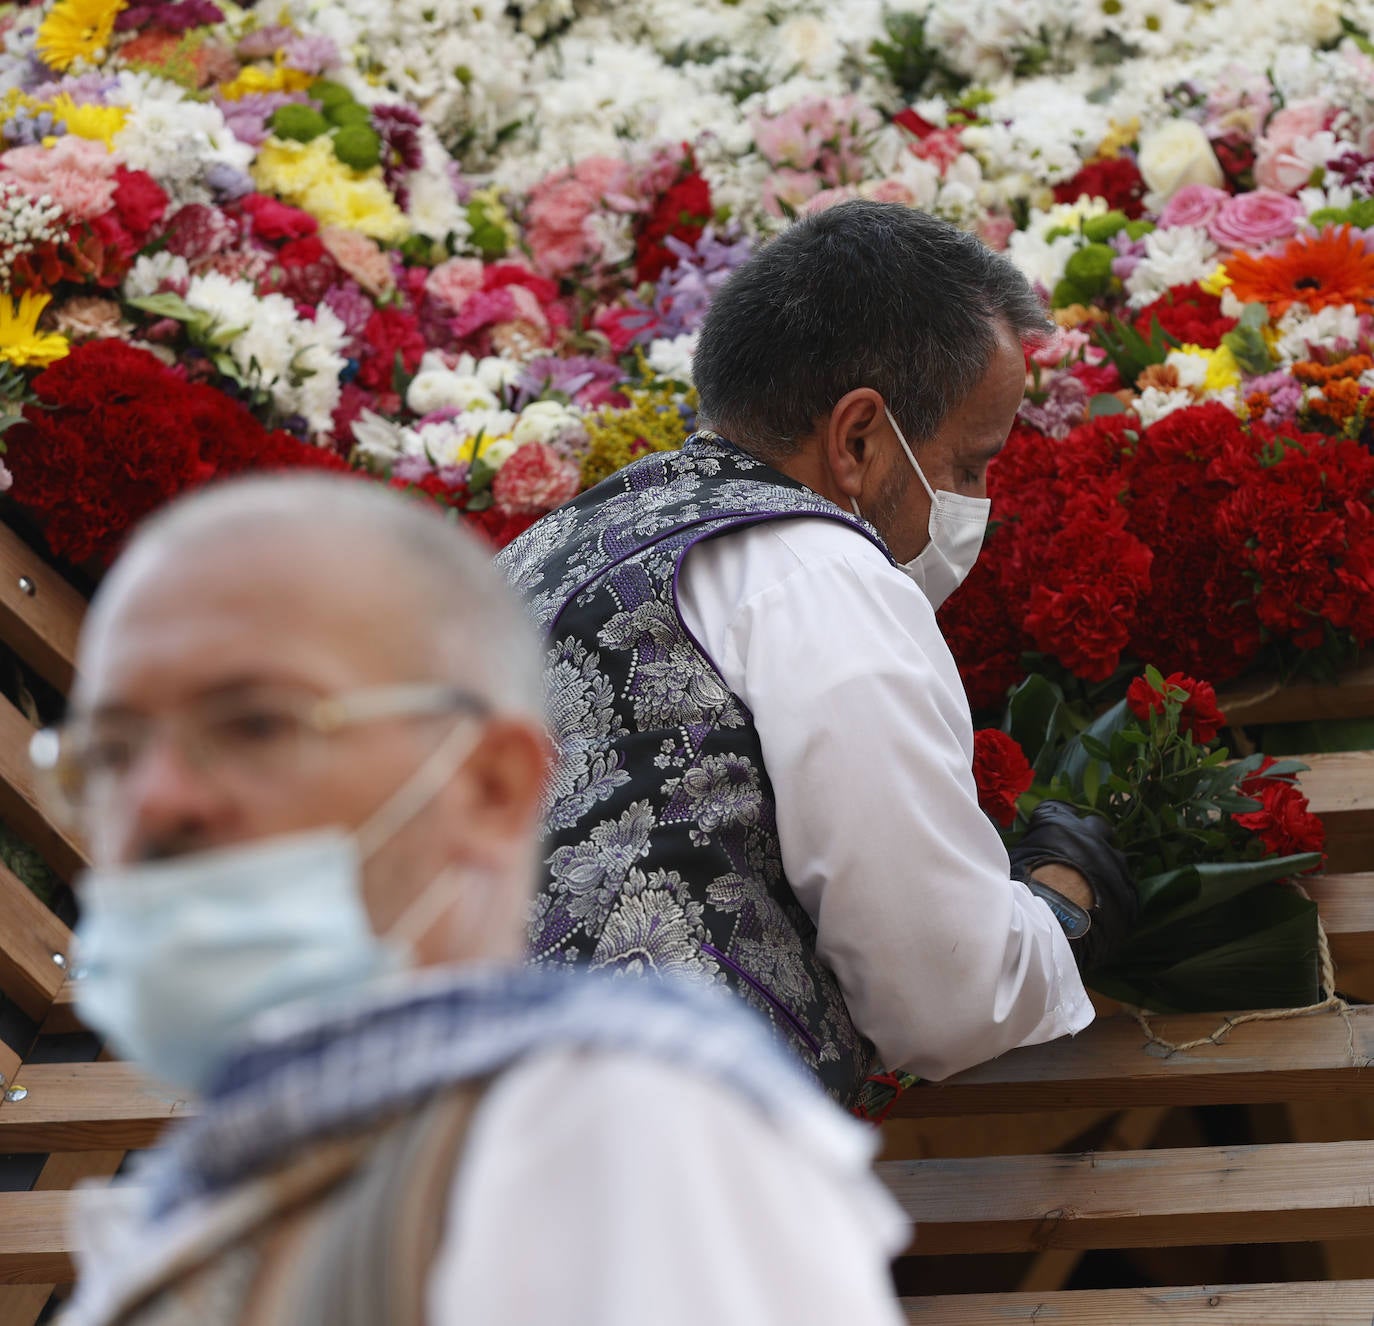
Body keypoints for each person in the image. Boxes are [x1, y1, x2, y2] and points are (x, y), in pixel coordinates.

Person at [41, 475, 909, 1326]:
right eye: (112, 753)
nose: (154, 799)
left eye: (256, 723)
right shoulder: (192, 1211)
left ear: (491, 787)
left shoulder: (599, 1132)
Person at [498, 200, 1137, 1107]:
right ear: (860, 438)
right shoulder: (820, 573)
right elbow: (947, 994)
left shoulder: (546, 548)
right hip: (653, 1165)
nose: (974, 500)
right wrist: (1064, 902)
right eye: (968, 464)